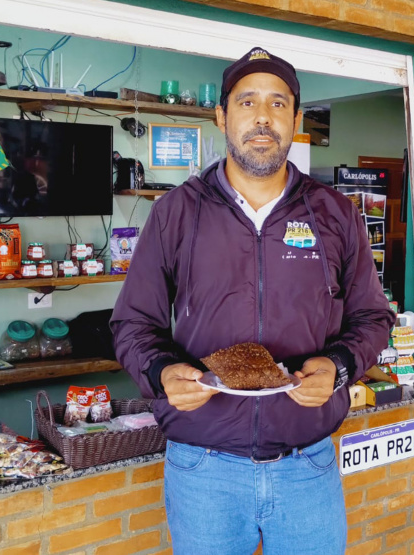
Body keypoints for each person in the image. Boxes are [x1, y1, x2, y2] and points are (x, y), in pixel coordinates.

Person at [111, 46, 394, 554]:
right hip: (203, 466)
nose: (263, 117)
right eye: (247, 102)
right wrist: (160, 373)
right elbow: (133, 322)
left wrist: (339, 368)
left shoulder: (335, 213)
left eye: (278, 103)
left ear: (296, 120)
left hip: (307, 464)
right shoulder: (176, 212)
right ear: (222, 116)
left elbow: (373, 317)